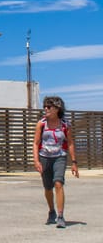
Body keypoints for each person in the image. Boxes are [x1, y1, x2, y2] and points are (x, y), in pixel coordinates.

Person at [33, 96, 79, 228]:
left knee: (58, 183)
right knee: (48, 187)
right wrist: (36, 161)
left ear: (57, 108)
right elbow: (36, 143)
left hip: (60, 156)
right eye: (45, 107)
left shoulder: (65, 124)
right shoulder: (41, 124)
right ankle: (51, 211)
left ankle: (60, 216)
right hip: (44, 157)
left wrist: (74, 162)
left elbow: (70, 143)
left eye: (49, 107)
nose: (46, 109)